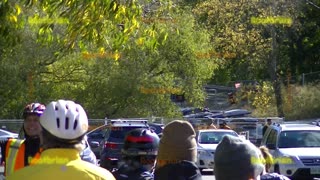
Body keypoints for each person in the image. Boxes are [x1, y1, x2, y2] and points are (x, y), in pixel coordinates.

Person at [7, 99, 115, 180]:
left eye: (35, 120)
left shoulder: (18, 177)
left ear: (42, 135)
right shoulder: (102, 177)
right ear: (83, 138)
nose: (31, 124)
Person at [0, 103, 45, 176]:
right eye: (28, 120)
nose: (31, 123)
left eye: (36, 120)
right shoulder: (9, 146)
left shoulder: (52, 150)